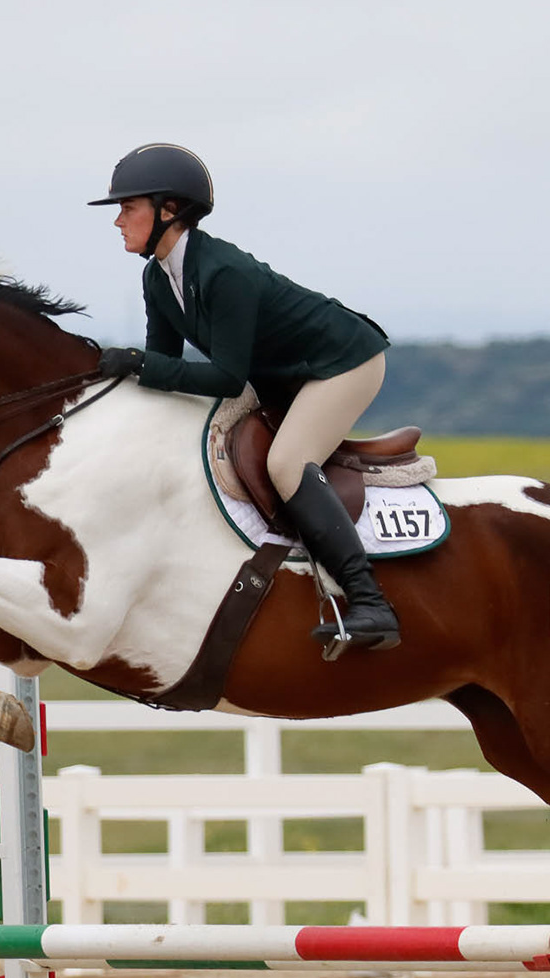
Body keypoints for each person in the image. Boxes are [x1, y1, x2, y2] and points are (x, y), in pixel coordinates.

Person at [89, 143, 399, 652]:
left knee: (286, 464)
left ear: (169, 211)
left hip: (343, 363)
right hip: (281, 373)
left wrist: (140, 365)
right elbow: (166, 372)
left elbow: (226, 378)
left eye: (127, 208)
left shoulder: (223, 272)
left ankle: (371, 605)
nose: (118, 221)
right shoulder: (157, 278)